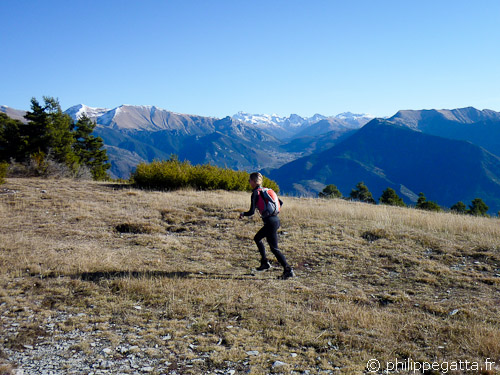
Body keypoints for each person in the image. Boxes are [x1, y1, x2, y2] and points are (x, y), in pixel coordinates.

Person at [239, 172, 295, 279]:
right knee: (263, 241)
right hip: (275, 220)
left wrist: (243, 214)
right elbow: (280, 203)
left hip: (270, 222)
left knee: (271, 246)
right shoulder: (266, 191)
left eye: (250, 180)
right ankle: (266, 263)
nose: (249, 182)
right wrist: (272, 212)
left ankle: (287, 269)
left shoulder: (256, 193)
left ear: (254, 181)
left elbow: (251, 212)